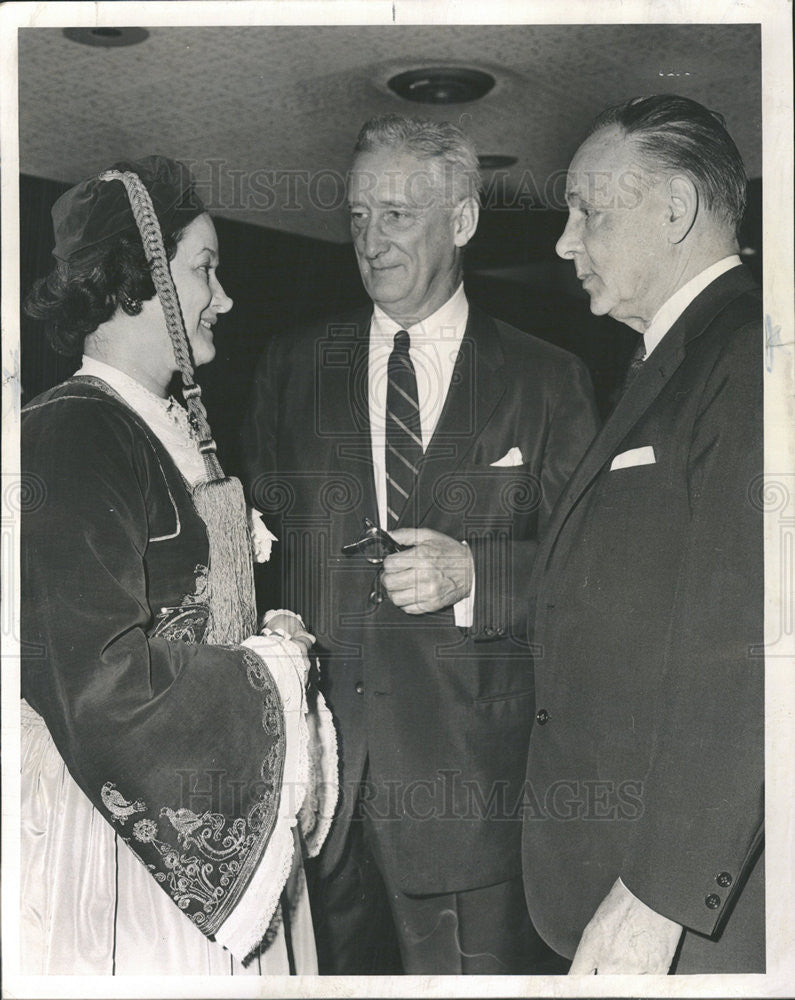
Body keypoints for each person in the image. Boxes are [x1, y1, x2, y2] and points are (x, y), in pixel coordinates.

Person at [242, 114, 599, 975]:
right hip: (318, 805)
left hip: (468, 801)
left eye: (396, 216)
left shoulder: (547, 380)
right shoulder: (291, 368)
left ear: (462, 222)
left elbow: (594, 576)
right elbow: (254, 557)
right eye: (358, 217)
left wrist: (476, 571)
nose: (370, 241)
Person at [20, 155, 337, 975]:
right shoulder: (70, 431)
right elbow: (95, 680)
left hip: (194, 772)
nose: (223, 297)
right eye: (204, 269)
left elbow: (193, 616)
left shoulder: (167, 424)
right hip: (121, 823)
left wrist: (265, 640)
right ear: (138, 279)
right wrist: (265, 677)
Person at [522, 95, 764, 974]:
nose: (563, 240)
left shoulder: (747, 359)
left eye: (588, 209)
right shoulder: (672, 360)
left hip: (696, 914)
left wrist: (658, 898)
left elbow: (750, 653)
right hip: (617, 881)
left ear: (674, 210)